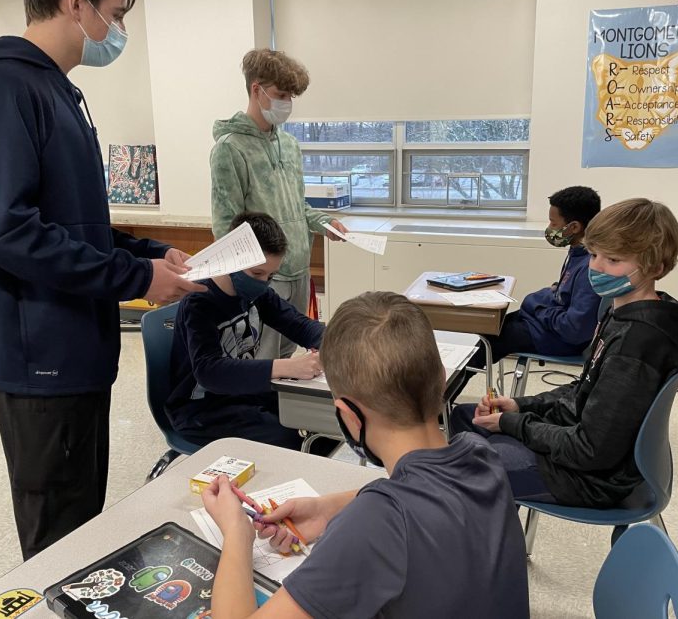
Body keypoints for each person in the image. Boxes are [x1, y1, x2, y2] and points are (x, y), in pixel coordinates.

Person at [0, 0, 204, 560]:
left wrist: (150, 253)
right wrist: (130, 275)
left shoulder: (55, 90)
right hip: (39, 354)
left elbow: (74, 222)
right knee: (59, 531)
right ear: (75, 2)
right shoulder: (3, 88)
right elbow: (5, 230)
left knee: (83, 521)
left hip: (75, 343)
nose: (119, 32)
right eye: (116, 14)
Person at [201, 292, 530, 619]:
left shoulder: (375, 525)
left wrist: (236, 533)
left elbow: (390, 515)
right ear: (441, 380)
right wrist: (325, 510)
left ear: (348, 415)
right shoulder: (482, 453)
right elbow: (424, 496)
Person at [451, 198, 678, 507]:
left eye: (613, 260)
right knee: (463, 416)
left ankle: (483, 541)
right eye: (594, 254)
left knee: (455, 468)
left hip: (591, 479)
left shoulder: (636, 344)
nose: (595, 267)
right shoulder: (621, 312)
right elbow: (584, 392)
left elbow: (589, 450)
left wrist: (512, 424)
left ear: (656, 267)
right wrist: (519, 405)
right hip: (586, 452)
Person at [210, 48, 348, 360]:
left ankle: (278, 410)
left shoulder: (289, 144)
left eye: (291, 96)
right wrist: (246, 282)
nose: (286, 103)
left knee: (288, 352)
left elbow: (297, 206)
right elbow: (225, 226)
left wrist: (325, 223)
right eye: (281, 94)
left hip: (299, 269)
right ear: (256, 90)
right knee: (262, 358)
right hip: (265, 277)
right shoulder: (230, 150)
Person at [167, 212, 328, 451]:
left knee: (320, 420)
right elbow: (209, 371)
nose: (263, 282)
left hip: (241, 395)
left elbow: (297, 324)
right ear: (232, 258)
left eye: (270, 276)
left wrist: (337, 343)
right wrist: (288, 367)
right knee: (296, 440)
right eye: (257, 274)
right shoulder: (198, 301)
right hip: (201, 410)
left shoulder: (256, 292)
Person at [453, 186, 602, 398]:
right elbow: (559, 293)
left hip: (561, 340)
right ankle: (441, 398)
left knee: (485, 343)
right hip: (547, 328)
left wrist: (537, 307)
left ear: (574, 227)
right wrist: (539, 303)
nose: (550, 228)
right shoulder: (577, 252)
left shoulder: (590, 265)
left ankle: (439, 402)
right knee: (488, 329)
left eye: (553, 223)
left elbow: (574, 329)